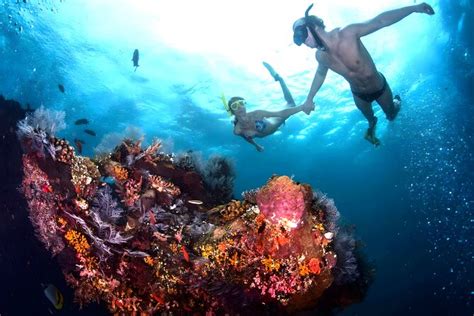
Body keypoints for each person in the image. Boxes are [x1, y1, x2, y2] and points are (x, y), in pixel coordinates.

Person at [293, 3, 435, 146]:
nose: (301, 41)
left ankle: (396, 102)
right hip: (359, 96)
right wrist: (309, 99)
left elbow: (380, 21)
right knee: (370, 119)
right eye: (297, 39)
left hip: (379, 88)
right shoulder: (320, 57)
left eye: (301, 34)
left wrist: (414, 8)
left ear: (313, 25)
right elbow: (320, 74)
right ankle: (372, 126)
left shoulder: (347, 33)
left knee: (391, 115)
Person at [224, 62, 314, 152]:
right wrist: (257, 146)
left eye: (241, 103)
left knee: (291, 104)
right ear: (232, 111)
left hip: (276, 121)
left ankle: (279, 79)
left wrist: (302, 107)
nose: (239, 107)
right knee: (289, 104)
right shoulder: (237, 130)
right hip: (267, 131)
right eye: (235, 106)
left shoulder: (257, 114)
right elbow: (246, 138)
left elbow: (280, 114)